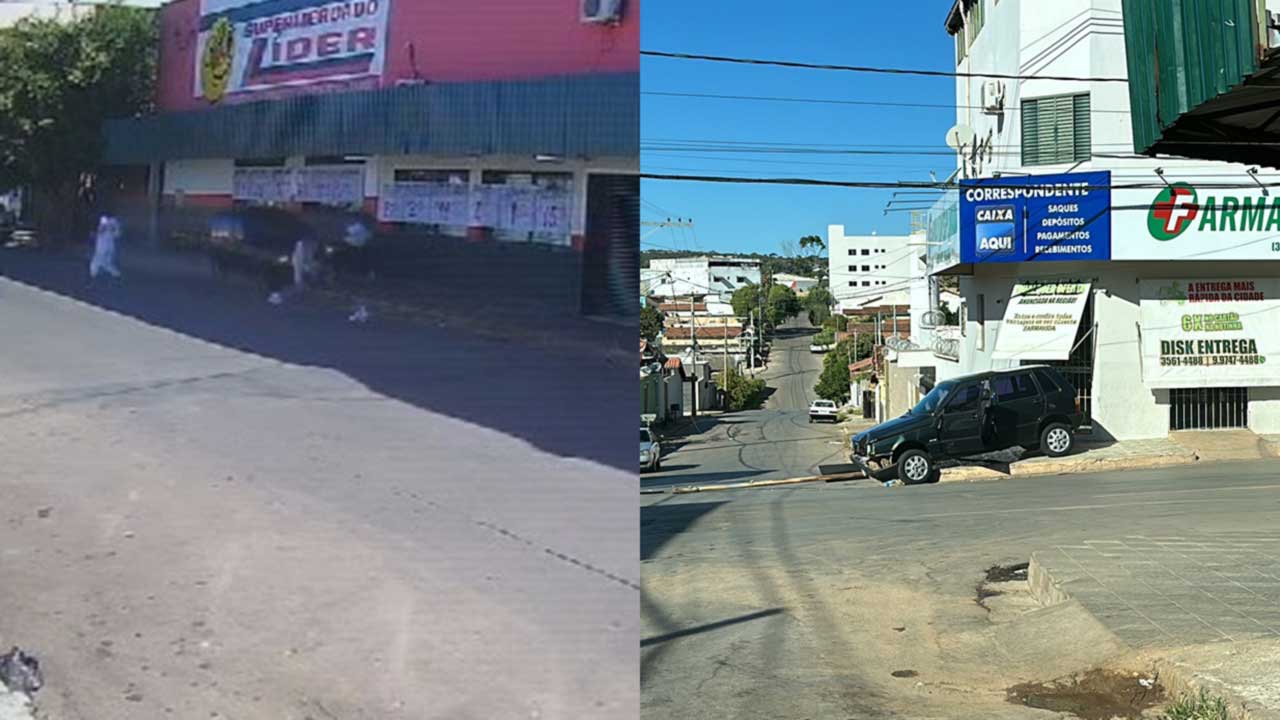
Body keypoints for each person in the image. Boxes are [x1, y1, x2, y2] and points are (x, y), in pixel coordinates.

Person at [89, 213, 121, 280]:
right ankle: (115, 273)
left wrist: (96, 233)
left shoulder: (107, 220)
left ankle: (93, 273)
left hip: (104, 245)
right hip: (107, 245)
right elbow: (116, 234)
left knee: (99, 259)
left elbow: (102, 230)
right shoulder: (112, 221)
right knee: (105, 260)